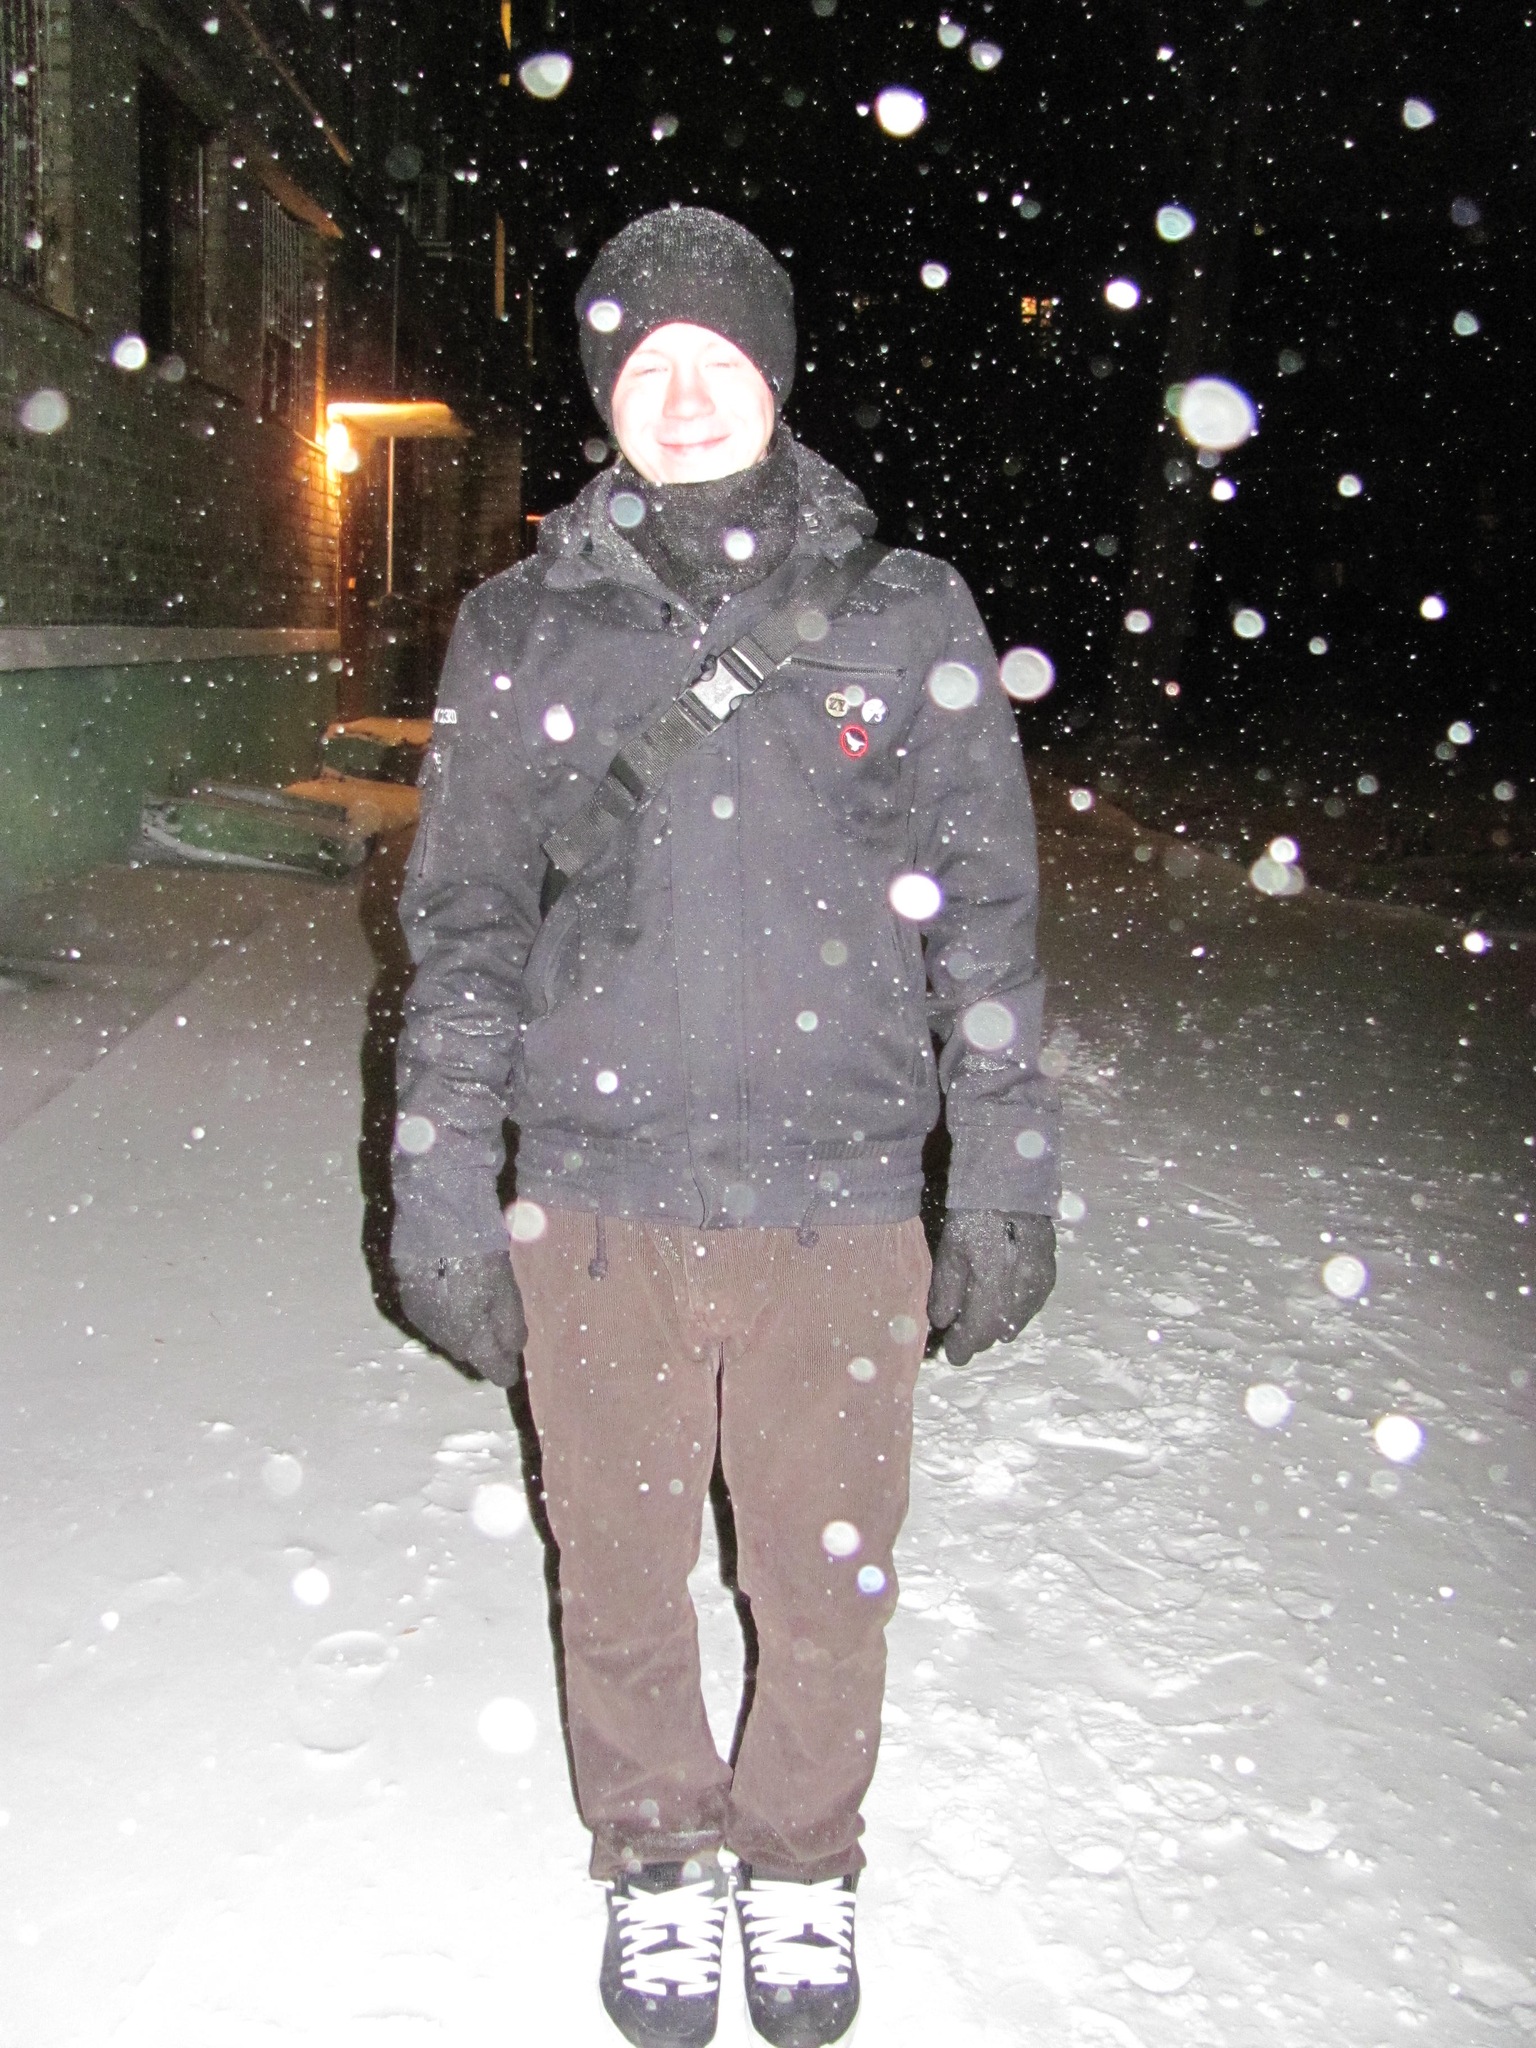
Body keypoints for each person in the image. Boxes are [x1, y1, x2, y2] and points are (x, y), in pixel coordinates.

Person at [390, 206, 1059, 2048]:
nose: (682, 396)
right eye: (645, 366)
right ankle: (660, 1859)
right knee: (617, 1577)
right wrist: (441, 1188)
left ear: (775, 375)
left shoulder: (906, 613)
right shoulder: (521, 626)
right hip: (594, 1200)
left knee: (823, 1585)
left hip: (838, 1203)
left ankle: (803, 1863)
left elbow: (987, 922)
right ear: (607, 397)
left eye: (717, 359)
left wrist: (1005, 1175)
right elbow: (466, 924)